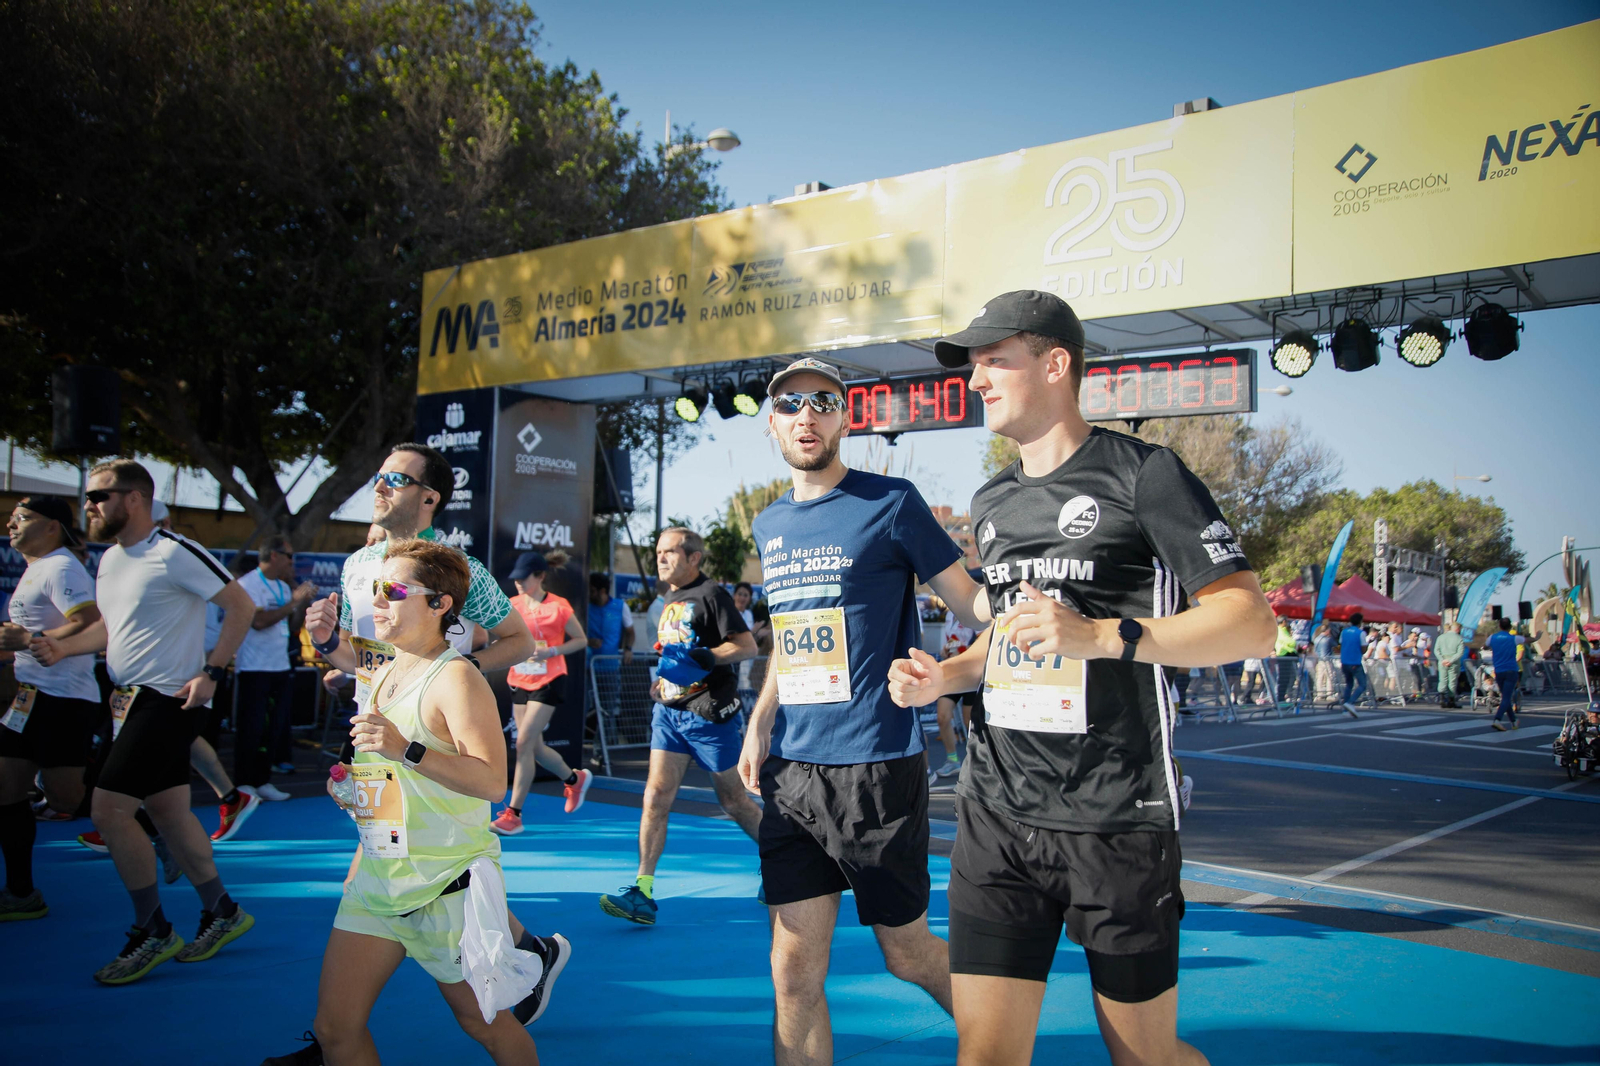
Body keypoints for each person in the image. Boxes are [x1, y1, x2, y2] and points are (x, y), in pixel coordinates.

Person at [886, 290, 1276, 1066]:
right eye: (973, 366)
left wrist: (1101, 634)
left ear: (1056, 364)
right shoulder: (991, 502)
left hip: (1116, 815)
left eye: (995, 361)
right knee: (985, 1055)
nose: (977, 381)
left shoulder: (1145, 475)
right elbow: (1008, 636)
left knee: (1145, 1058)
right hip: (997, 812)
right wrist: (948, 676)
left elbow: (1251, 622)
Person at [736, 357, 990, 1065]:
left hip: (877, 767)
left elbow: (971, 602)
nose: (807, 415)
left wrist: (1031, 610)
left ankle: (998, 1039)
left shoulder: (892, 502)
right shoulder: (769, 523)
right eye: (791, 405)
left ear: (846, 418)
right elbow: (793, 638)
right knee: (792, 973)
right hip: (793, 771)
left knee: (905, 954)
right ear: (773, 424)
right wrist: (760, 724)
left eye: (823, 403)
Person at [310, 539, 563, 1066]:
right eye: (375, 589)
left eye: (393, 590)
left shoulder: (457, 677)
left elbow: (494, 783)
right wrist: (358, 792)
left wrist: (406, 749)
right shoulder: (383, 671)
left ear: (439, 604)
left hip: (445, 889)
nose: (377, 600)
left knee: (485, 1026)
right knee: (334, 1030)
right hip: (378, 882)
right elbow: (396, 773)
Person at [30, 460, 258, 983]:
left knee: (109, 811)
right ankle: (222, 911)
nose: (88, 506)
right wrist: (59, 646)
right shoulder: (111, 559)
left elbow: (239, 605)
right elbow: (110, 632)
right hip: (125, 700)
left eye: (99, 496)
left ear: (133, 499)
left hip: (169, 699)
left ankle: (152, 928)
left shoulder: (172, 551)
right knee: (169, 810)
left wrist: (212, 672)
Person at [598, 527, 761, 926]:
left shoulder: (712, 595)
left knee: (735, 802)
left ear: (693, 558)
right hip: (669, 713)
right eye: (658, 553)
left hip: (710, 718)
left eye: (670, 552)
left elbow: (746, 646)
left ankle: (784, 860)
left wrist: (707, 656)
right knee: (655, 797)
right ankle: (643, 890)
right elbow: (676, 655)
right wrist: (665, 681)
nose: (661, 559)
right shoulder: (668, 598)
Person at [0, 496, 103, 919]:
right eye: (11, 517)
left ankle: (152, 824)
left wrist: (28, 641)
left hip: (64, 698)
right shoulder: (36, 568)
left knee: (67, 796)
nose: (11, 524)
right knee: (6, 786)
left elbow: (91, 622)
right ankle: (22, 893)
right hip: (29, 696)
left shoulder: (61, 566)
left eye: (22, 518)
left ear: (52, 527)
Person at [491, 550, 592, 835]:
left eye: (525, 579)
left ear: (541, 576)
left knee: (523, 743)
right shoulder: (512, 605)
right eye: (516, 579)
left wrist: (551, 650)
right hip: (519, 679)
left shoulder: (559, 607)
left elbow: (580, 640)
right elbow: (503, 636)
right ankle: (574, 779)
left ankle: (514, 814)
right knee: (533, 747)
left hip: (550, 679)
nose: (519, 583)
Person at [234, 536, 317, 802]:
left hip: (279, 665)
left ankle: (262, 780)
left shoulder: (281, 586)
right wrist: (293, 602)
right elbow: (258, 622)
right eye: (289, 556)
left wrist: (300, 601)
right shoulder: (248, 584)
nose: (292, 562)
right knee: (252, 726)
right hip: (254, 667)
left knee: (274, 726)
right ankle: (243, 782)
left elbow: (291, 624)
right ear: (274, 555)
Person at [932, 605, 979, 783]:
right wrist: (945, 651)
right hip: (951, 672)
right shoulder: (950, 614)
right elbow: (949, 643)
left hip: (971, 674)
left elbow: (982, 643)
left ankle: (977, 762)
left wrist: (965, 653)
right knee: (942, 717)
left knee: (969, 723)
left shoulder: (975, 613)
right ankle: (952, 760)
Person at [586, 572, 634, 724]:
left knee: (609, 710)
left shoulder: (620, 606)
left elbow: (630, 632)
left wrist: (628, 648)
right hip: (587, 667)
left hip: (610, 669)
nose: (589, 593)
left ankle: (609, 743)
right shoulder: (584, 606)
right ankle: (586, 743)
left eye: (592, 590)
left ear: (602, 591)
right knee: (586, 708)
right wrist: (587, 641)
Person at [1487, 617, 1522, 731]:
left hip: (1499, 671)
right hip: (1511, 670)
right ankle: (1497, 719)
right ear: (1510, 627)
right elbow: (1527, 640)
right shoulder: (1514, 638)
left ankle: (1513, 720)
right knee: (1506, 698)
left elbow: (1485, 644)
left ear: (1499, 626)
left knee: (1505, 697)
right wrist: (1536, 637)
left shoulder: (1492, 637)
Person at [1340, 613, 1369, 716]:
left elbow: (1341, 644)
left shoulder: (1344, 632)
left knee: (1349, 684)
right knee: (1362, 684)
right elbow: (1363, 648)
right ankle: (1350, 702)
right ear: (1360, 621)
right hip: (1355, 661)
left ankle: (1345, 709)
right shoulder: (1361, 633)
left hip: (1344, 661)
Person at [1435, 622, 1466, 708]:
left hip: (1442, 661)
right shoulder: (1459, 639)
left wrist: (1442, 660)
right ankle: (1451, 700)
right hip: (1453, 662)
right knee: (1452, 681)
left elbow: (1436, 650)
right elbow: (1460, 652)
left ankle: (1441, 698)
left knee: (1442, 679)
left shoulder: (1441, 637)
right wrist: (1451, 660)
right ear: (1457, 629)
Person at [1272, 618, 1299, 705]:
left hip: (1286, 655)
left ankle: (1282, 697)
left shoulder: (1283, 630)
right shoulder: (1280, 631)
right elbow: (1290, 642)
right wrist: (1293, 643)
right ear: (1283, 622)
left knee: (1286, 678)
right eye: (1286, 621)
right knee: (1283, 679)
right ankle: (1280, 699)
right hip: (1283, 656)